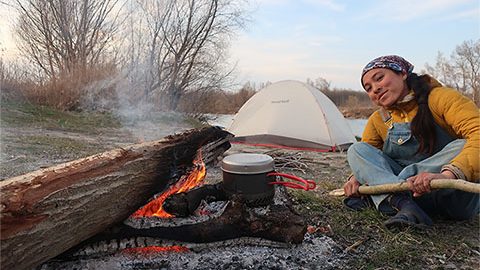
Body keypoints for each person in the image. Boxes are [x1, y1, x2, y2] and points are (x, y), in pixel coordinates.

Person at [343, 55, 479, 230]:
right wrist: (355, 178)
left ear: (403, 73)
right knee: (357, 149)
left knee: (461, 145)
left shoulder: (441, 98)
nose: (375, 89)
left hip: (451, 194)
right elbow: (367, 157)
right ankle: (403, 204)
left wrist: (446, 175)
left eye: (379, 78)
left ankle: (386, 193)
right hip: (411, 199)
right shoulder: (378, 119)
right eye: (368, 88)